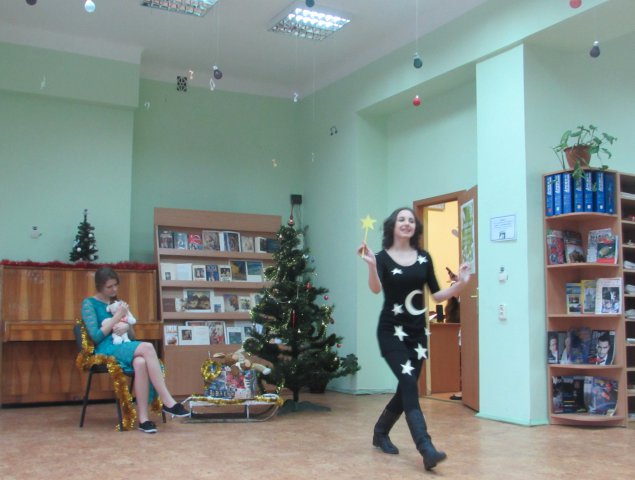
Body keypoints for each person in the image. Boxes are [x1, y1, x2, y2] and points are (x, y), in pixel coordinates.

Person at [357, 207, 471, 472]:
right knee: (409, 383)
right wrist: (372, 267)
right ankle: (426, 448)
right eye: (401, 219)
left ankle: (380, 432)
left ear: (415, 227)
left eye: (411, 220)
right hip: (390, 332)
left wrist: (462, 284)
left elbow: (437, 295)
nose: (407, 223)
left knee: (406, 388)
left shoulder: (424, 258)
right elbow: (375, 289)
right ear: (392, 226)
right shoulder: (382, 257)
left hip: (418, 333)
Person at [81, 267, 189, 433]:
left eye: (116, 285)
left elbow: (132, 335)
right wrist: (117, 317)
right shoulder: (89, 304)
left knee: (140, 362)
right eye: (110, 287)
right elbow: (95, 336)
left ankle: (143, 420)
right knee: (148, 347)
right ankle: (167, 401)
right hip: (106, 348)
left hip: (124, 345)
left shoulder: (118, 303)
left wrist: (126, 327)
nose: (114, 289)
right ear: (99, 286)